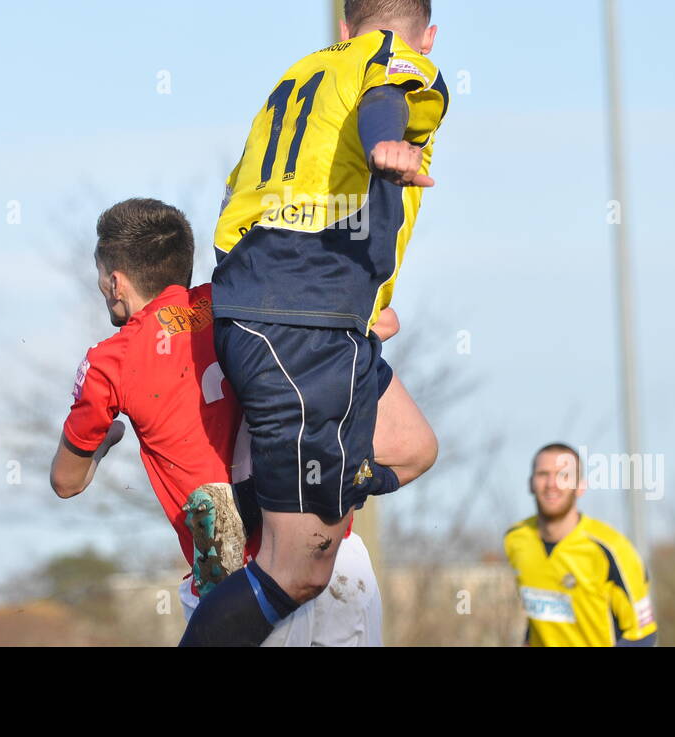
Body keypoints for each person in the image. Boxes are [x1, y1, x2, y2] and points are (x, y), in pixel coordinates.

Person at [181, 0, 446, 646]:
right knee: (299, 570)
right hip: (302, 320)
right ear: (428, 36)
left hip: (303, 307)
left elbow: (241, 193)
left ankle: (259, 502)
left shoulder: (294, 78)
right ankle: (259, 521)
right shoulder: (391, 61)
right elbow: (385, 98)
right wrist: (385, 143)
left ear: (341, 25)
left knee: (412, 446)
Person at [49, 198, 412, 645]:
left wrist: (104, 442)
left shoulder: (111, 362)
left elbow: (67, 481)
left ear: (116, 282)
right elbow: (382, 319)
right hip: (336, 555)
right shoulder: (241, 302)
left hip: (246, 582)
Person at [503, 443, 658, 646]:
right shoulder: (515, 539)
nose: (551, 483)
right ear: (531, 483)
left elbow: (643, 635)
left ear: (580, 486)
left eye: (563, 475)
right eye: (543, 474)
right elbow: (539, 618)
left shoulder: (611, 549)